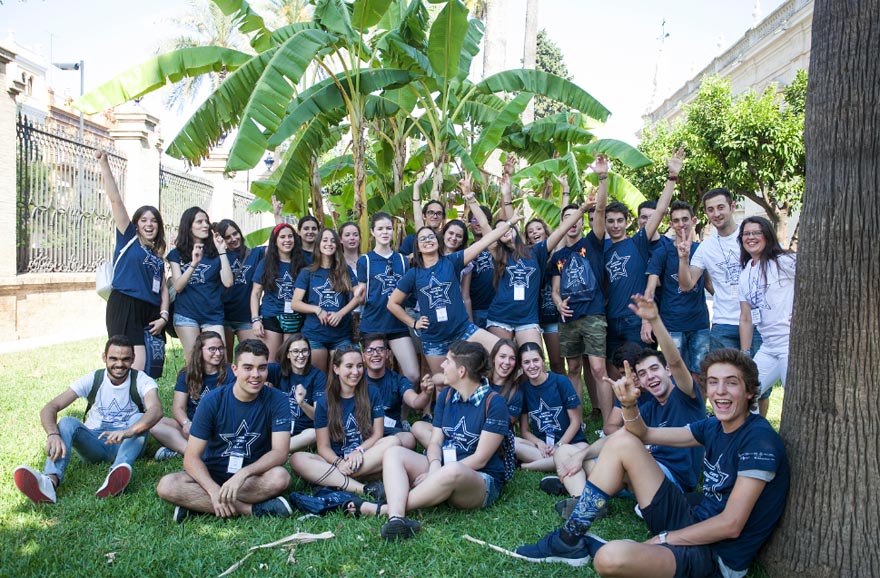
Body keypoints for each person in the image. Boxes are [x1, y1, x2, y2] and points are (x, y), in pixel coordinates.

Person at [515, 349, 790, 577]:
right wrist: (629, 405)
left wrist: (664, 538)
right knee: (622, 441)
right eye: (714, 382)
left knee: (609, 560)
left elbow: (731, 525)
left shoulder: (759, 441)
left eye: (731, 383)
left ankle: (603, 545)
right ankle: (569, 539)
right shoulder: (714, 426)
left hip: (716, 555)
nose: (720, 391)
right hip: (690, 518)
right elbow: (643, 434)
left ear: (751, 392)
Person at [544, 295, 705, 501]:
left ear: (667, 371)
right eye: (643, 373)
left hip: (670, 481)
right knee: (564, 453)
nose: (650, 377)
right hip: (642, 471)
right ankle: (580, 495)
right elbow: (617, 434)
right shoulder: (648, 408)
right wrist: (580, 455)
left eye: (654, 369)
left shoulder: (685, 395)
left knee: (614, 459)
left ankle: (580, 489)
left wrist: (655, 321)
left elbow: (675, 360)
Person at [350, 341, 510, 541]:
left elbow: (480, 459)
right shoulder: (447, 395)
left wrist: (439, 472)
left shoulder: (494, 402)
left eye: (447, 362)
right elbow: (435, 442)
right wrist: (434, 467)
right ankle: (396, 518)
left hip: (478, 479)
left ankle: (379, 508)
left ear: (461, 372)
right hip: (442, 467)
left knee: (453, 470)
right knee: (393, 452)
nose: (442, 366)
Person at [155, 339, 293, 522]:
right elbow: (191, 457)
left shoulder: (278, 400)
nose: (256, 374)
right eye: (248, 367)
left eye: (262, 368)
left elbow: (280, 453)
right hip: (211, 474)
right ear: (234, 370)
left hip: (250, 477)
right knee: (167, 485)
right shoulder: (212, 401)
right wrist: (212, 490)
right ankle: (250, 510)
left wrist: (242, 474)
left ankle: (198, 505)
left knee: (280, 477)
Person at [13, 336, 163, 503]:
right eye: (113, 358)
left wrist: (128, 431)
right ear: (104, 357)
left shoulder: (142, 380)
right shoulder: (93, 379)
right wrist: (52, 434)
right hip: (95, 443)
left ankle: (116, 474)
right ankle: (49, 482)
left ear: (133, 359)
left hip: (127, 442)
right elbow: (50, 407)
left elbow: (156, 410)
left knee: (140, 417)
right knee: (67, 422)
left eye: (125, 359)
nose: (119, 364)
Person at [386, 205, 525, 375]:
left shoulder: (452, 261)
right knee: (441, 384)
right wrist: (413, 323)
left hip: (463, 330)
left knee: (503, 351)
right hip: (434, 340)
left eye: (431, 236)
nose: (428, 240)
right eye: (422, 239)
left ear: (438, 240)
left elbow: (484, 242)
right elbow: (392, 303)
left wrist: (510, 222)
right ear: (417, 247)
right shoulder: (413, 274)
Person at [462, 177, 594, 349]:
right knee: (502, 361)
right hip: (500, 317)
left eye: (509, 227)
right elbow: (485, 223)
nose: (505, 230)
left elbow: (561, 230)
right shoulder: (499, 253)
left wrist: (582, 209)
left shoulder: (536, 252)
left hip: (527, 319)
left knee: (533, 359)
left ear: (516, 230)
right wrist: (469, 197)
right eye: (500, 229)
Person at [595, 150, 683, 355]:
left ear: (628, 222)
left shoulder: (638, 242)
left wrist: (672, 177)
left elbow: (660, 210)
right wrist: (603, 177)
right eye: (611, 221)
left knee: (644, 368)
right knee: (615, 370)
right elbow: (599, 209)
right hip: (611, 319)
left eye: (620, 221)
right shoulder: (602, 248)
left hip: (636, 319)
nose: (615, 225)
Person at [288, 347, 398, 497]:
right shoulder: (324, 402)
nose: (356, 371)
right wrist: (339, 463)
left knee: (393, 442)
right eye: (349, 366)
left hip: (365, 456)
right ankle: (363, 488)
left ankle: (334, 480)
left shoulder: (372, 393)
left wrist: (358, 451)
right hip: (336, 459)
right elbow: (323, 447)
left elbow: (377, 433)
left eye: (359, 366)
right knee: (297, 459)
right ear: (336, 369)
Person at [550, 158, 610, 427]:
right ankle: (578, 422)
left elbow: (600, 210)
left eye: (576, 218)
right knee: (573, 368)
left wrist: (602, 178)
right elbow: (554, 290)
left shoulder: (592, 243)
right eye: (566, 219)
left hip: (594, 314)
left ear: (581, 222)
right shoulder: (558, 255)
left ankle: (609, 423)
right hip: (569, 319)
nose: (572, 223)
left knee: (598, 368)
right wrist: (559, 303)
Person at [97, 150, 170, 371]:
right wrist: (104, 164)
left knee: (150, 367)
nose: (149, 224)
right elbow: (115, 199)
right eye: (144, 220)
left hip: (149, 311)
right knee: (129, 365)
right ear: (136, 224)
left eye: (154, 221)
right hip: (125, 305)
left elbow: (164, 288)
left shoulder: (157, 255)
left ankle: (141, 405)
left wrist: (164, 317)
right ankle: (107, 402)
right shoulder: (128, 238)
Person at [677, 188, 762, 354]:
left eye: (720, 207)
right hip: (723, 325)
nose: (716, 213)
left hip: (757, 323)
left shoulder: (752, 236)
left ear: (732, 207)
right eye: (710, 210)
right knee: (726, 378)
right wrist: (683, 259)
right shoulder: (705, 247)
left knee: (757, 379)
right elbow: (686, 285)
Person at [645, 200, 711, 381]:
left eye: (685, 219)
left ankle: (699, 410)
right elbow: (650, 289)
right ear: (671, 224)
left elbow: (711, 286)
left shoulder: (702, 250)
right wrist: (646, 321)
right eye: (676, 220)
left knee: (700, 374)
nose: (681, 224)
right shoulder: (662, 252)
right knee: (674, 374)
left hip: (699, 324)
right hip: (672, 325)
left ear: (694, 220)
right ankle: (678, 410)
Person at [738, 217, 796, 416]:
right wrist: (745, 354)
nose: (751, 237)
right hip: (768, 347)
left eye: (756, 233)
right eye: (746, 233)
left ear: (767, 236)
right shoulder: (745, 273)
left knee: (795, 400)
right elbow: (746, 317)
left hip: (791, 344)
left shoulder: (784, 261)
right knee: (745, 395)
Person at [356, 212, 420, 385]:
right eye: (380, 229)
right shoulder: (365, 261)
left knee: (413, 375)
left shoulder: (402, 260)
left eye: (388, 228)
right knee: (371, 375)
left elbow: (408, 292)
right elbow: (362, 295)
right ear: (373, 232)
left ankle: (402, 411)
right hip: (373, 324)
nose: (385, 232)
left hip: (397, 324)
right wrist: (357, 296)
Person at [150, 331, 236, 460]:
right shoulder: (187, 374)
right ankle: (195, 452)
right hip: (193, 427)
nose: (218, 353)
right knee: (154, 423)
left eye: (220, 348)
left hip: (219, 428)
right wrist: (186, 423)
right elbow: (178, 408)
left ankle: (183, 450)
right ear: (200, 351)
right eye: (212, 349)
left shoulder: (231, 372)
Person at [291, 228, 363, 374]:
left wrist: (341, 313)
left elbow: (358, 296)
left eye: (332, 241)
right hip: (315, 333)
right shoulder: (308, 272)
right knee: (319, 377)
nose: (329, 244)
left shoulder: (344, 270)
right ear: (318, 244)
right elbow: (295, 303)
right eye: (324, 240)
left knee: (342, 376)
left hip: (341, 335)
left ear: (337, 245)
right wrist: (317, 309)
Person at [167, 206, 234, 359]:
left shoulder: (216, 252)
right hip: (186, 315)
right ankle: (192, 384)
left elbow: (228, 282)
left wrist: (222, 250)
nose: (205, 225)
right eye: (199, 222)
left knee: (218, 360)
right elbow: (177, 287)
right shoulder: (177, 254)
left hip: (213, 314)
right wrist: (194, 264)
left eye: (206, 221)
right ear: (189, 227)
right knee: (194, 362)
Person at [517, 342, 587, 471]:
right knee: (513, 442)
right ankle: (554, 462)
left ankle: (525, 466)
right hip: (543, 448)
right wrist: (539, 443)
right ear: (521, 365)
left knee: (583, 450)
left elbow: (576, 421)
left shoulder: (561, 382)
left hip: (570, 443)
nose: (532, 366)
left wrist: (559, 446)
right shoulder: (523, 389)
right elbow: (525, 430)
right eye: (526, 362)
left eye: (536, 360)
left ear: (543, 361)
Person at [362, 333, 434, 449]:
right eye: (370, 350)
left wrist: (425, 393)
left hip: (393, 433)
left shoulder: (397, 380)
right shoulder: (357, 379)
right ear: (363, 355)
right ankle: (381, 454)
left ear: (387, 354)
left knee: (409, 439)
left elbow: (415, 402)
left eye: (380, 349)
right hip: (366, 432)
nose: (375, 354)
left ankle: (375, 454)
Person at [251, 223, 308, 362]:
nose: (287, 240)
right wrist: (255, 319)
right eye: (282, 237)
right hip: (271, 316)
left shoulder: (303, 264)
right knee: (271, 362)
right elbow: (256, 293)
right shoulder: (266, 263)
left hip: (296, 318)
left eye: (290, 236)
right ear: (275, 241)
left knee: (290, 362)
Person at [216, 218, 268, 357]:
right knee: (223, 361)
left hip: (246, 317)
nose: (233, 239)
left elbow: (277, 246)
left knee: (252, 356)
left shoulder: (256, 254)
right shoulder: (219, 255)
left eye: (235, 233)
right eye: (228, 237)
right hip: (224, 316)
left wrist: (278, 217)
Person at [525, 217, 565, 374]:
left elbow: (563, 227)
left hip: (551, 315)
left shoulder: (556, 253)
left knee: (556, 364)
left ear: (546, 231)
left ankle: (565, 396)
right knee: (534, 364)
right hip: (531, 317)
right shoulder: (526, 256)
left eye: (538, 229)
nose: (535, 232)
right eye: (530, 231)